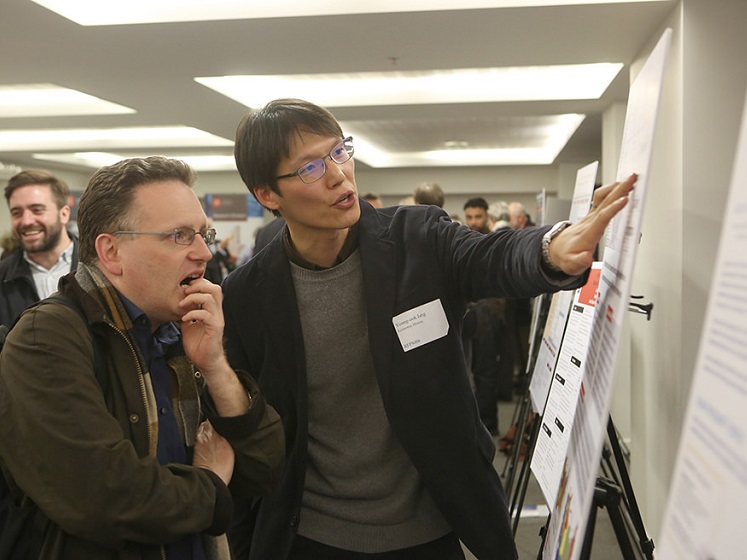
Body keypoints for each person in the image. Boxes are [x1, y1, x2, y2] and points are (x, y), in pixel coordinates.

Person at [223, 98, 635, 560]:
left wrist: (551, 250)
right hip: (313, 535)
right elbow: (250, 435)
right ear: (267, 195)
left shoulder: (416, 237)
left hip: (427, 527)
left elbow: (489, 257)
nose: (339, 174)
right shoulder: (246, 296)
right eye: (311, 168)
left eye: (341, 152)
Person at [0, 156, 285, 559]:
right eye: (179, 236)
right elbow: (105, 497)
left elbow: (262, 467)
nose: (204, 252)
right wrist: (211, 486)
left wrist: (216, 366)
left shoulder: (181, 334)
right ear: (111, 252)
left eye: (204, 234)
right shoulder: (46, 338)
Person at [0, 169, 78, 328]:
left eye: (37, 210)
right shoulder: (3, 279)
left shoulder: (101, 268)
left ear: (64, 214)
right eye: (17, 212)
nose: (26, 221)